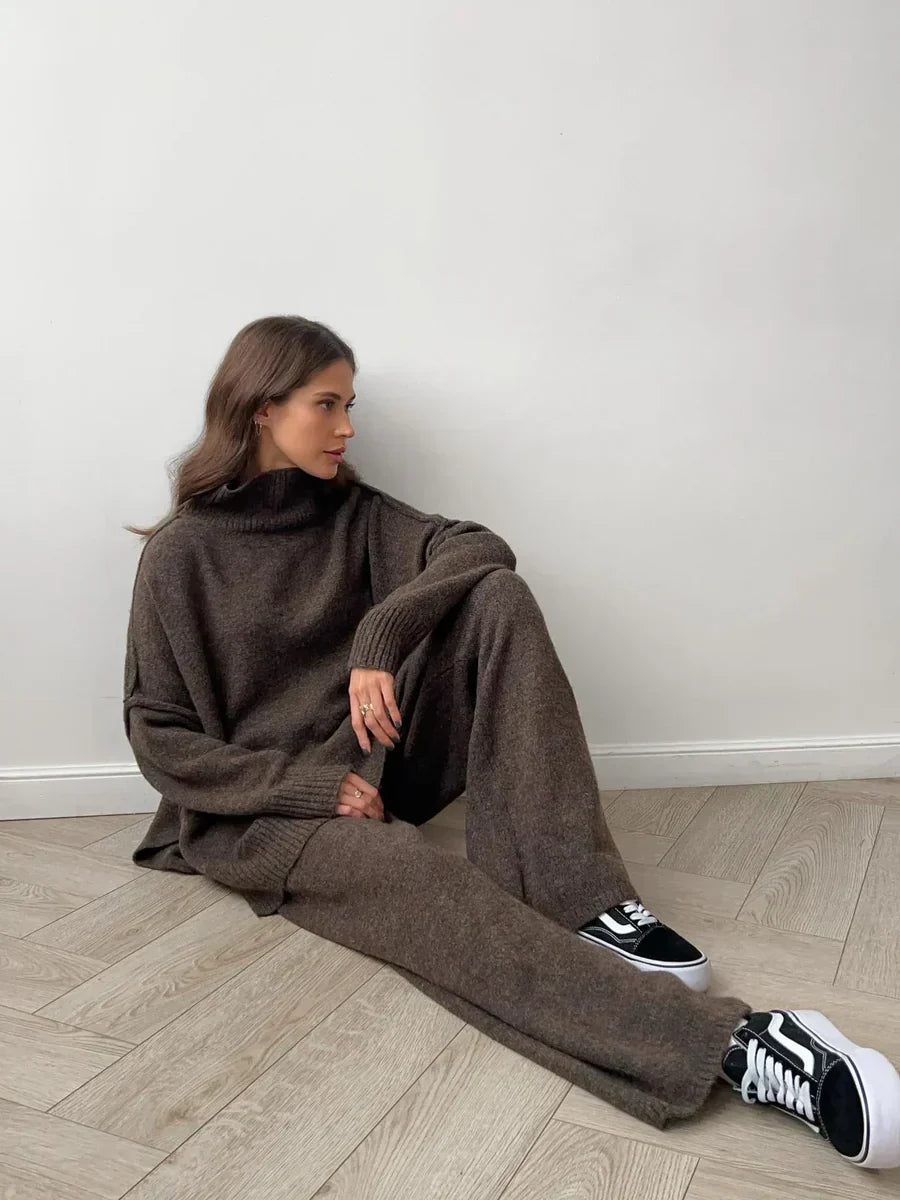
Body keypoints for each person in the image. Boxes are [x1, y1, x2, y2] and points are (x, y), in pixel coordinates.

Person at [123, 314, 900, 1171]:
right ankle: (743, 1049)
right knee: (426, 892)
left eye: (351, 406)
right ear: (262, 408)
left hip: (375, 756)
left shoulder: (356, 516)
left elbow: (481, 547)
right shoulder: (182, 555)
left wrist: (380, 636)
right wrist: (309, 789)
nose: (347, 428)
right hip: (265, 812)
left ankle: (575, 896)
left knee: (495, 597)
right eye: (327, 405)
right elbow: (158, 735)